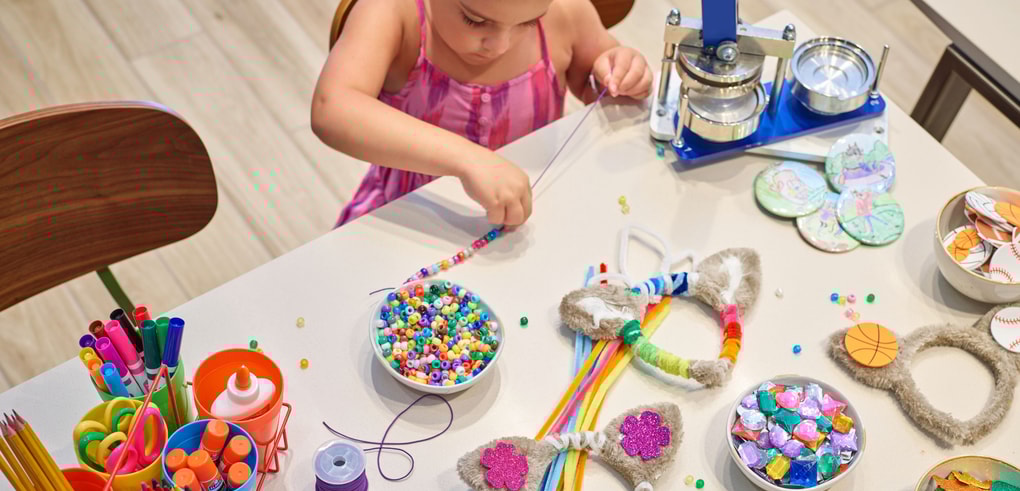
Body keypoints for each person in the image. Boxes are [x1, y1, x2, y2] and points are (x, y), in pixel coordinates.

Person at [311, 0, 652, 228]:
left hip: (526, 221)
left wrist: (619, 70)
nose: (500, 44)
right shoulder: (394, 12)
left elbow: (596, 80)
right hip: (410, 218)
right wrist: (466, 159)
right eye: (475, 20)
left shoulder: (565, 12)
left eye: (529, 22)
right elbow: (333, 108)